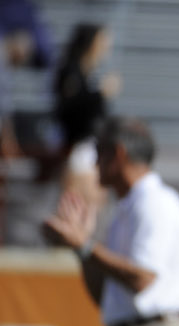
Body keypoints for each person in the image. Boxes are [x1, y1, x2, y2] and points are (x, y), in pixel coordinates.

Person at [43, 117, 179, 326]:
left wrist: (87, 246)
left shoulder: (155, 203)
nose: (95, 165)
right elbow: (104, 295)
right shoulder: (128, 208)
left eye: (100, 154)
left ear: (118, 154)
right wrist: (82, 251)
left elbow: (143, 278)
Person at [53, 23, 121, 208]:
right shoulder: (72, 71)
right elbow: (68, 107)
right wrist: (100, 94)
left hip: (91, 145)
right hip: (80, 147)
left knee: (93, 203)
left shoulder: (87, 73)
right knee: (80, 203)